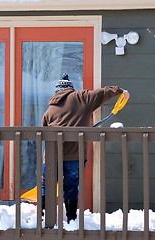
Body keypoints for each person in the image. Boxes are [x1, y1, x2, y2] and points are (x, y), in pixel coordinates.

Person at [41, 73, 129, 223]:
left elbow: (43, 134)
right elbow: (103, 92)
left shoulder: (49, 111)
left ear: (57, 91)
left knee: (47, 185)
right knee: (71, 186)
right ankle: (71, 219)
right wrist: (120, 91)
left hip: (51, 156)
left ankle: (44, 217)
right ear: (70, 88)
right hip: (74, 155)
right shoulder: (81, 98)